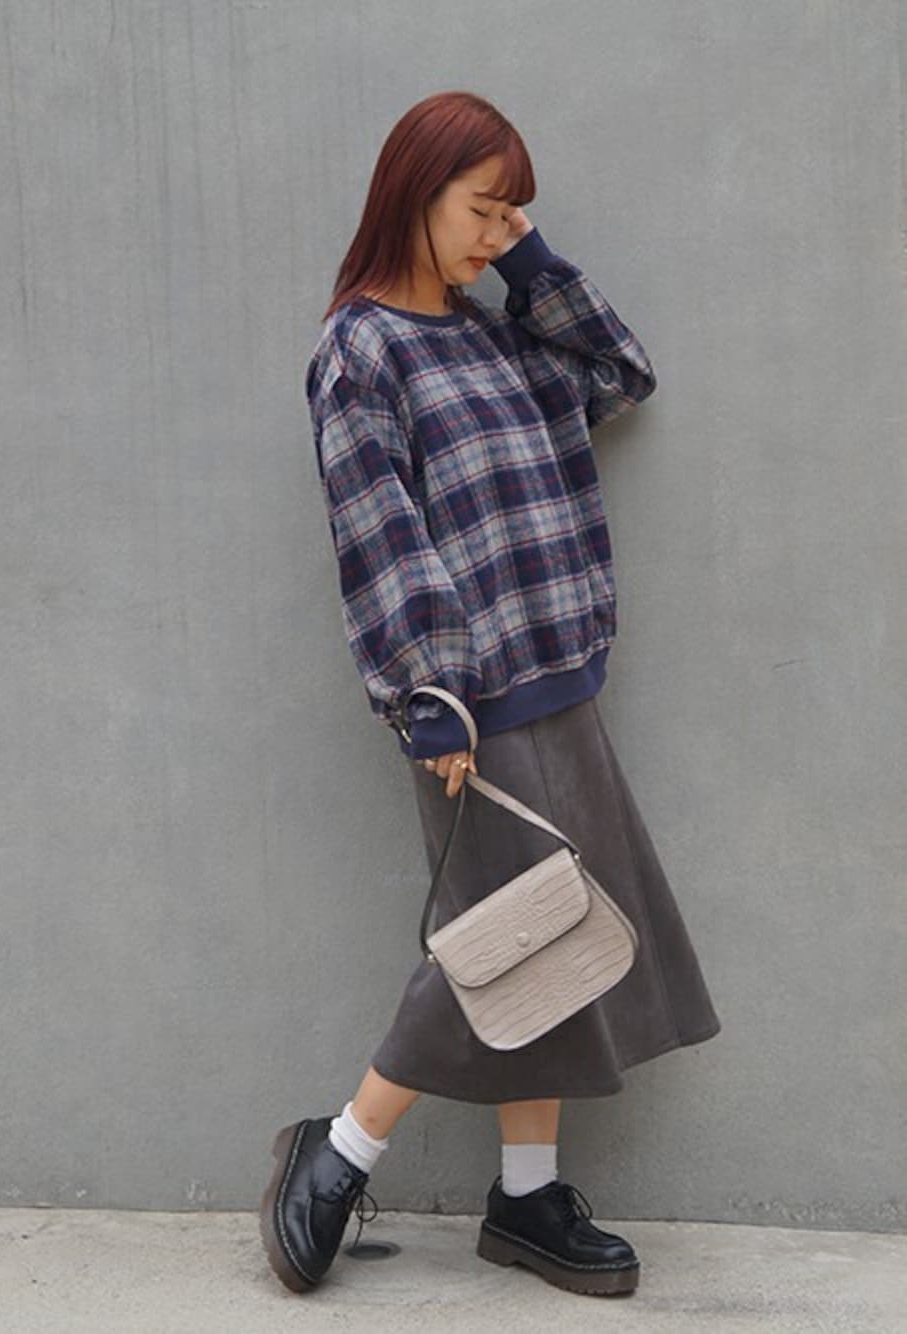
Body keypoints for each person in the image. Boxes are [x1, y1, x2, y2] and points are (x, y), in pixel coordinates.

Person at [259, 89, 721, 1299]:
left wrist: (529, 263)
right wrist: (431, 692)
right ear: (414, 194)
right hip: (467, 702)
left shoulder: (494, 333)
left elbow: (620, 374)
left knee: (555, 938)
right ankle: (341, 1148)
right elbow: (377, 526)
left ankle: (524, 1195)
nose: (494, 231)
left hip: (560, 673)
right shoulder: (360, 350)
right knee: (504, 937)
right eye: (481, 207)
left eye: (512, 211)